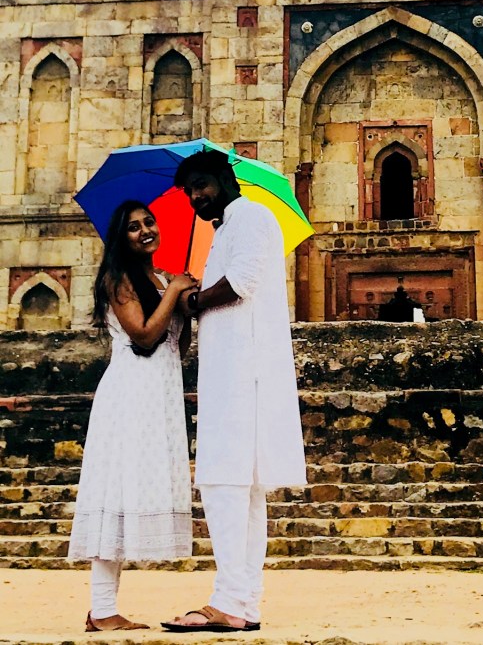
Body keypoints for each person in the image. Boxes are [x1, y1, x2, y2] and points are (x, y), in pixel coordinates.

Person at [163, 149, 306, 634]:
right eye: (189, 192)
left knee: (226, 483)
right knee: (242, 491)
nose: (195, 197)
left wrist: (193, 299)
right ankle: (243, 602)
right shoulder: (227, 227)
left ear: (225, 178)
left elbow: (241, 283)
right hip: (234, 370)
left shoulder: (250, 216)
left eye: (201, 185)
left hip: (241, 374)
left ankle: (228, 600)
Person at [67, 201, 196, 632]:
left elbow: (177, 345)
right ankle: (102, 609)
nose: (145, 230)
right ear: (120, 239)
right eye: (133, 227)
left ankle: (103, 609)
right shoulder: (119, 278)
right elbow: (142, 336)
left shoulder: (160, 279)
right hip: (130, 394)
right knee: (115, 494)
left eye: (149, 222)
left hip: (158, 394)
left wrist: (180, 300)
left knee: (126, 496)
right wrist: (175, 293)